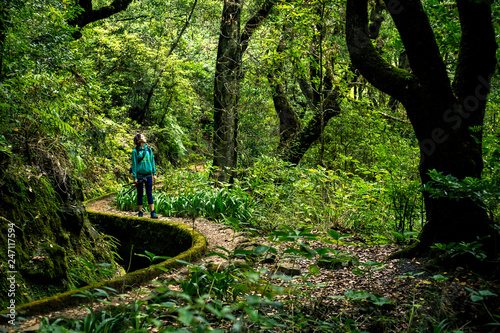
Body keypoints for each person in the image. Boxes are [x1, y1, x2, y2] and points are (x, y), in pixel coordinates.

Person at [131, 133, 158, 218]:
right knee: (140, 193)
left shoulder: (149, 150)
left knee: (149, 193)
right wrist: (135, 177)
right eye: (143, 137)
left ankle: (152, 212)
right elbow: (134, 165)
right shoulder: (135, 151)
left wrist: (154, 173)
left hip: (148, 175)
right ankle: (140, 212)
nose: (145, 137)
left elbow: (152, 161)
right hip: (139, 176)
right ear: (139, 140)